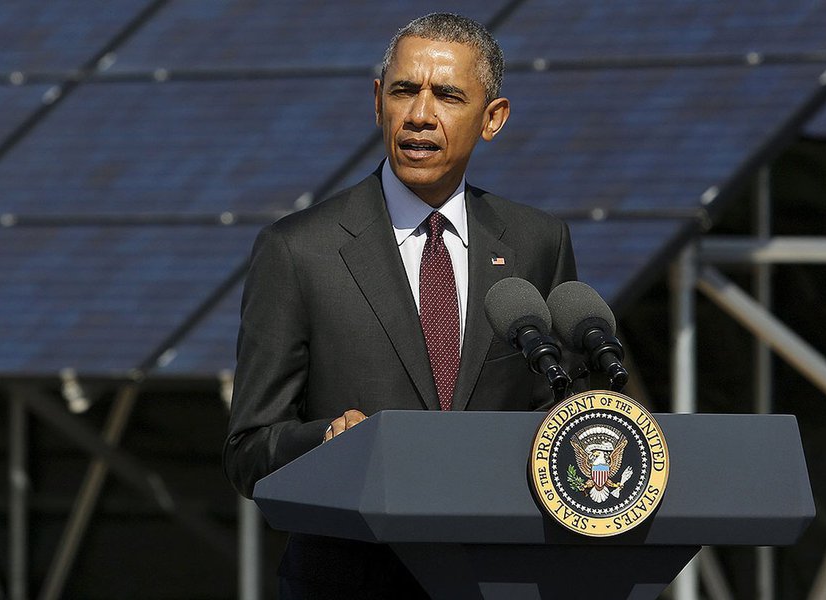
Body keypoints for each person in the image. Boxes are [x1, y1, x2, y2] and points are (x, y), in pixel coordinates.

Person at [224, 12, 577, 599]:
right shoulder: (298, 251)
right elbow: (248, 451)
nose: (419, 115)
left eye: (447, 96)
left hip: (503, 579)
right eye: (405, 91)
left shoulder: (538, 244)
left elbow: (559, 416)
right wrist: (326, 443)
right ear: (377, 100)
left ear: (493, 118)